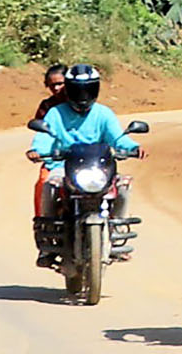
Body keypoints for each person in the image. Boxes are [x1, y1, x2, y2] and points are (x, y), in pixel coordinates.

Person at [26, 62, 144, 264]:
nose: (83, 95)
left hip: (98, 167)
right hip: (63, 166)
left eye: (88, 89)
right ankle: (48, 235)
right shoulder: (55, 113)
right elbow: (44, 137)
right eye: (78, 90)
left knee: (123, 185)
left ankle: (116, 233)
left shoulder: (103, 114)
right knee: (49, 186)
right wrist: (37, 150)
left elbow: (117, 138)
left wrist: (133, 147)